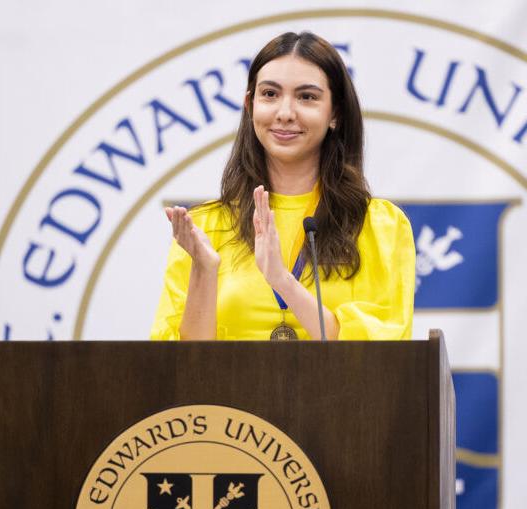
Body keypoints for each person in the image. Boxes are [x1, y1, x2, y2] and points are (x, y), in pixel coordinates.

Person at [150, 31, 415, 341]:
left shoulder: (380, 225)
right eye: (270, 94)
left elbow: (384, 358)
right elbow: (182, 371)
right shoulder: (205, 227)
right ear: (249, 105)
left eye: (307, 97)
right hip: (228, 392)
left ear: (336, 113)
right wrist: (204, 271)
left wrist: (282, 281)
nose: (285, 113)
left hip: (338, 392)